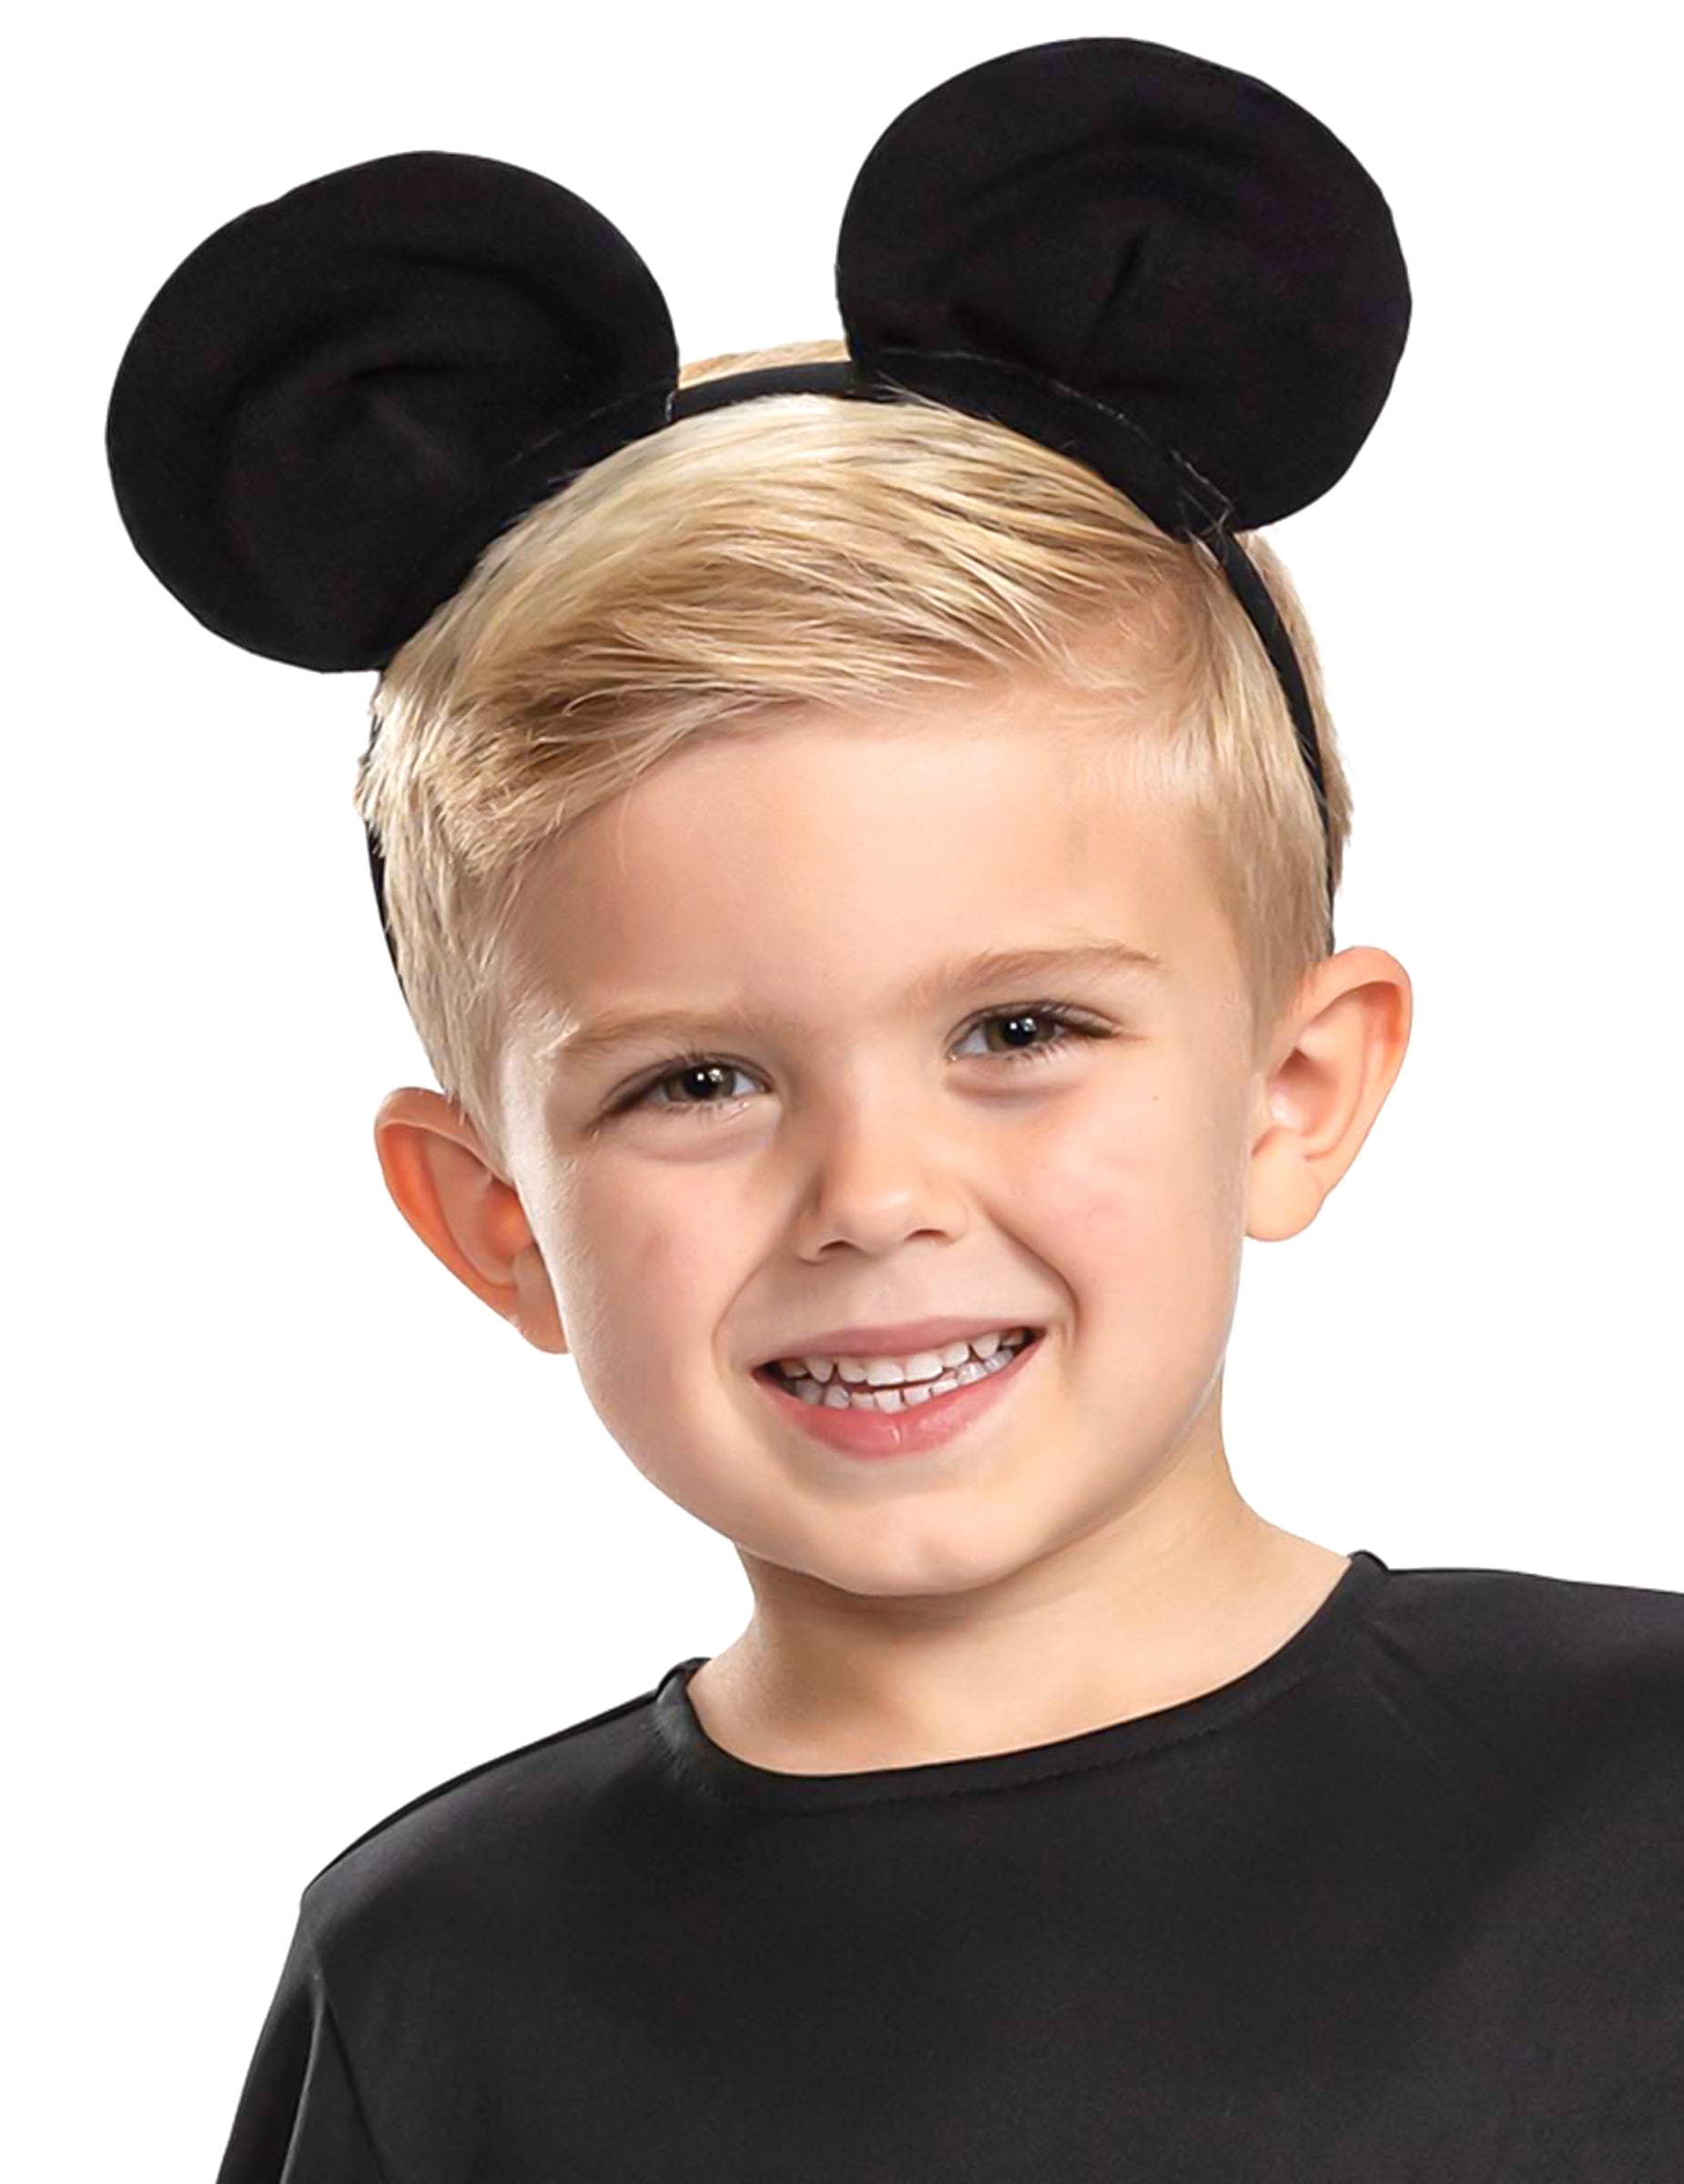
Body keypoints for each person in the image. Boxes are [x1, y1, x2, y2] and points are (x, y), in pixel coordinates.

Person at [105, 39, 1682, 2180]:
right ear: (494, 1220)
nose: (873, 1194)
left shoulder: (1640, 1805)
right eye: (698, 1080)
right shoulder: (441, 1980)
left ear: (1294, 1091)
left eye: (1018, 1030)